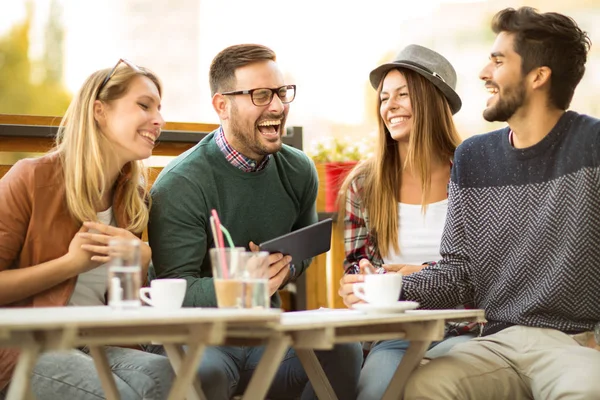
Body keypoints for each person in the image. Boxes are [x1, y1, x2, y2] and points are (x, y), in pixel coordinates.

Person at [353, 7, 600, 399]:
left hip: (574, 342)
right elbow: (459, 274)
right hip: (496, 340)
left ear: (538, 76)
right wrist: (391, 286)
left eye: (498, 61)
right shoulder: (474, 157)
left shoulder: (591, 147)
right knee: (425, 386)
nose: (484, 73)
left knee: (586, 388)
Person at [147, 44, 363, 400]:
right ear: (222, 106)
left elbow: (304, 247)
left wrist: (286, 267)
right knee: (206, 374)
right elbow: (175, 289)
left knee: (343, 349)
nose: (277, 106)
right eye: (261, 95)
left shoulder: (298, 170)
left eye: (281, 92)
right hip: (199, 341)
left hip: (268, 338)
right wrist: (244, 282)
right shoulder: (181, 183)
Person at [0, 60, 174, 399]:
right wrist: (70, 264)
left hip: (95, 343)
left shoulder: (132, 198)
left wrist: (139, 263)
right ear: (99, 111)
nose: (159, 121)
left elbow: (126, 311)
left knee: (166, 377)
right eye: (144, 105)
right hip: (25, 347)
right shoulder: (31, 178)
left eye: (159, 109)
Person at [336, 44, 476, 400]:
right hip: (396, 332)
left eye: (403, 94)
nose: (390, 106)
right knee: (375, 388)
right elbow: (357, 264)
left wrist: (416, 273)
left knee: (431, 387)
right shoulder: (363, 185)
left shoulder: (474, 174)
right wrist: (357, 283)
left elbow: (487, 270)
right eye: (384, 97)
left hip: (467, 330)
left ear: (431, 100)